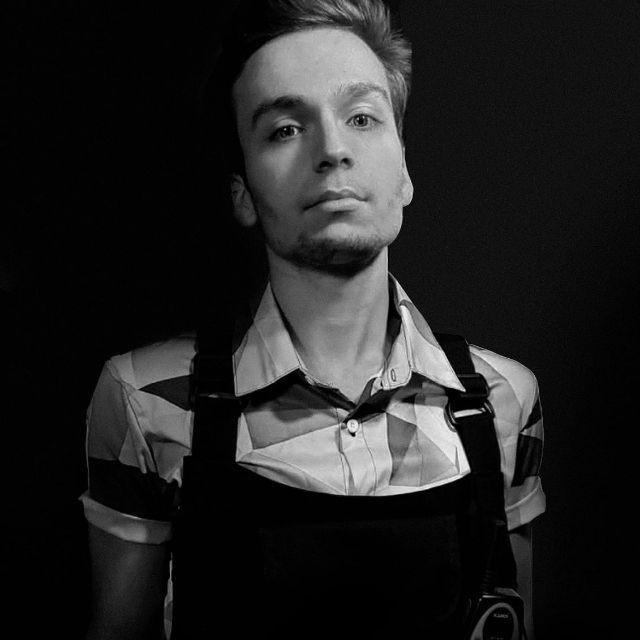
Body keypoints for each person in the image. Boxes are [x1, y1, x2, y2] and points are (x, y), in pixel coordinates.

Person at [82, 1, 545, 638]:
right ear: (243, 193)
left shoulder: (500, 402)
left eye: (361, 118)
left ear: (405, 172)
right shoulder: (147, 401)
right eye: (284, 129)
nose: (332, 150)